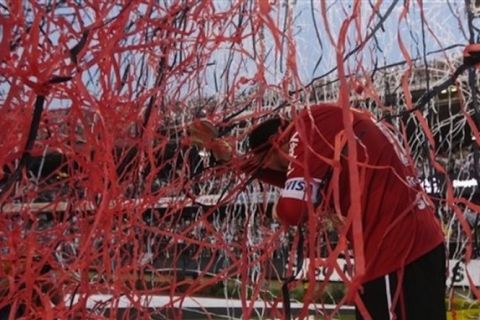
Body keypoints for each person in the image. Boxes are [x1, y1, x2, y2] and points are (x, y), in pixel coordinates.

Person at [190, 103, 446, 319]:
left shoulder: (307, 126)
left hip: (397, 254)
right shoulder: (326, 132)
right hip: (417, 245)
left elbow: (292, 210)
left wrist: (272, 212)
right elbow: (288, 177)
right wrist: (230, 158)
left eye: (268, 162)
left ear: (275, 143)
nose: (278, 172)